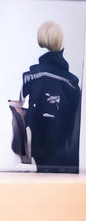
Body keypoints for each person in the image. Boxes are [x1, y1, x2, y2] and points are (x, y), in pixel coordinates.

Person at [20, 20, 81, 173]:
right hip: (64, 165)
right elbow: (75, 130)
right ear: (60, 43)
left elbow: (19, 114)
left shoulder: (30, 78)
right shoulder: (72, 84)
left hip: (35, 162)